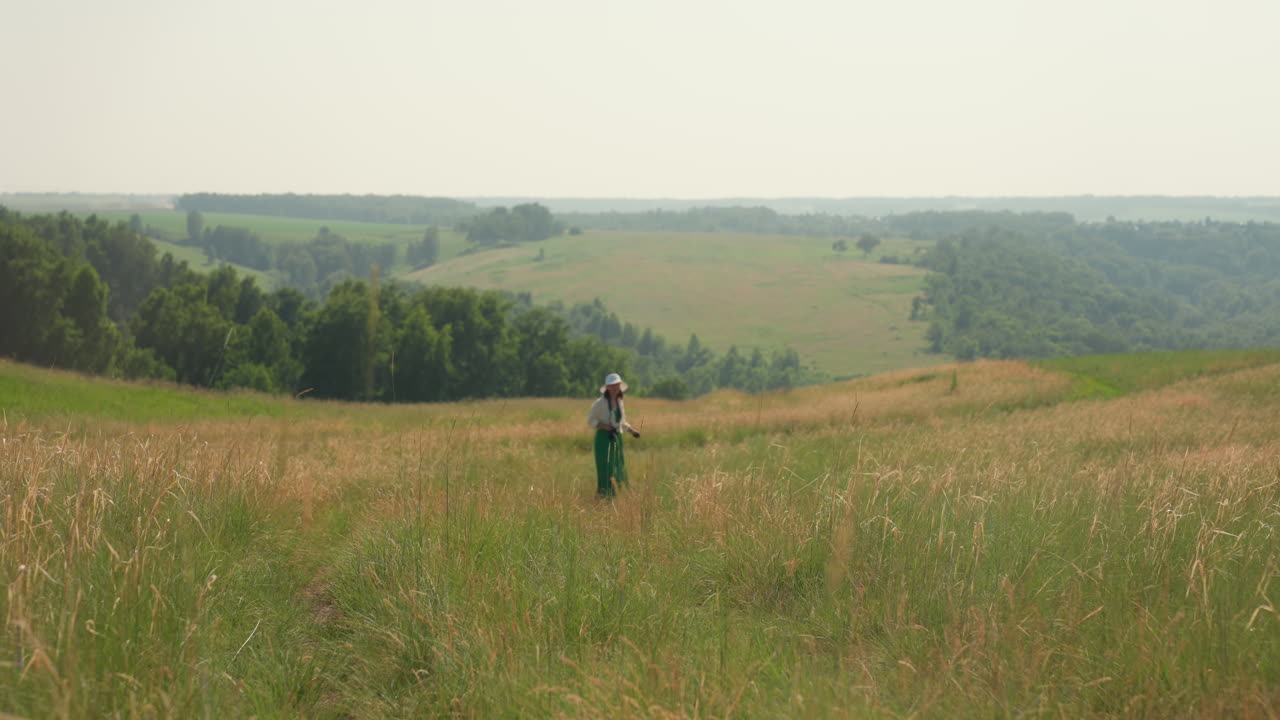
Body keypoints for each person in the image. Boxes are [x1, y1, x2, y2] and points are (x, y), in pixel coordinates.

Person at [587, 372, 640, 498]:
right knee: (606, 468)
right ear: (608, 387)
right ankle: (604, 496)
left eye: (617, 385)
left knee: (618, 466)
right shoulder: (599, 403)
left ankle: (616, 496)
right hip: (603, 439)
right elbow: (591, 421)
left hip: (616, 438)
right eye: (613, 385)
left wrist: (632, 430)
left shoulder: (619, 402)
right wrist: (606, 427)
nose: (616, 388)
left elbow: (621, 422)